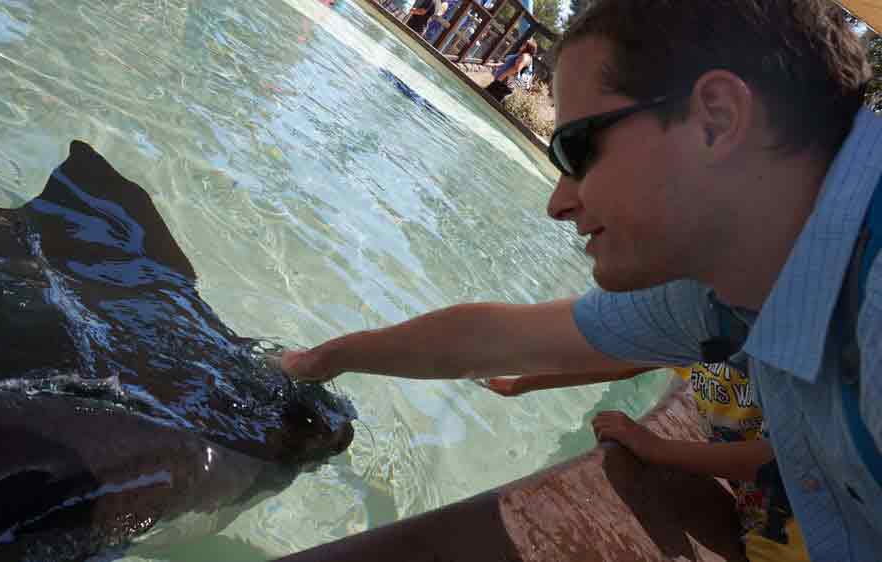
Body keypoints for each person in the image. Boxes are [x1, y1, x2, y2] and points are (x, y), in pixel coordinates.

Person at [280, 2, 881, 559]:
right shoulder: (727, 282)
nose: (558, 202)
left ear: (716, 120)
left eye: (576, 150)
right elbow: (490, 340)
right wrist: (321, 360)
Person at [484, 363, 811, 561]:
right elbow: (618, 353)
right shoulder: (704, 318)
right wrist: (522, 382)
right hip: (764, 529)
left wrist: (655, 448)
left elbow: (785, 458)